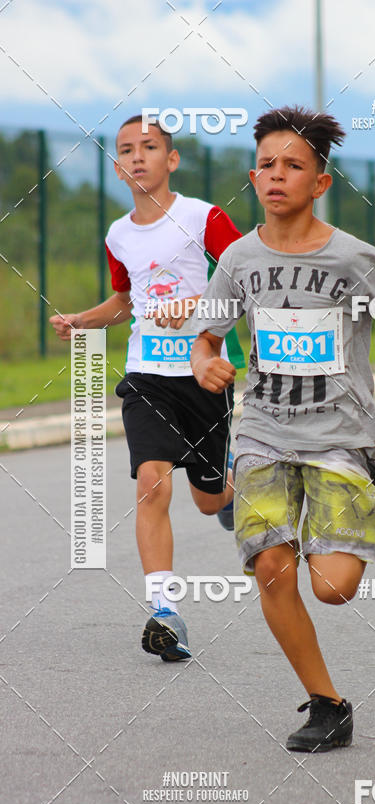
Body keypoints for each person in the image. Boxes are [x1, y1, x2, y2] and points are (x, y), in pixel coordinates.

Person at [191, 105, 375, 752]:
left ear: (320, 182)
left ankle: (335, 490)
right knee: (271, 567)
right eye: (267, 164)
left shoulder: (354, 258)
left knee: (333, 588)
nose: (277, 175)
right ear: (253, 175)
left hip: (339, 436)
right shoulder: (238, 259)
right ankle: (327, 704)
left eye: (293, 166)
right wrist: (208, 362)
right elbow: (207, 339)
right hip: (264, 429)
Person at [50, 114, 243, 662]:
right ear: (117, 167)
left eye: (150, 147)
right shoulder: (117, 234)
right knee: (152, 484)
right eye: (127, 150)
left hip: (204, 376)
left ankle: (229, 492)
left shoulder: (203, 217)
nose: (138, 157)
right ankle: (166, 612)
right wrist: (84, 320)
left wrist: (198, 307)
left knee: (208, 504)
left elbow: (247, 284)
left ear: (171, 159)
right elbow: (126, 302)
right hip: (145, 377)